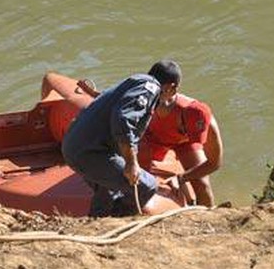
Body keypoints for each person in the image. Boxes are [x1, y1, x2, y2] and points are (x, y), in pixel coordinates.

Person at [60, 61, 181, 217]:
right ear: (172, 87)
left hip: (75, 147)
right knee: (147, 185)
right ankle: (119, 221)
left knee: (106, 191)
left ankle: (97, 223)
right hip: (91, 151)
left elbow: (110, 102)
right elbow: (124, 120)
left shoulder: (135, 81)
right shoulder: (150, 88)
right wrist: (131, 163)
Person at [138, 60, 223, 207]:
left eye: (157, 90)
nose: (150, 94)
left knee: (202, 184)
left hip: (184, 143)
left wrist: (182, 178)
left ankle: (209, 217)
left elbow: (214, 163)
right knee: (135, 176)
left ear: (172, 89)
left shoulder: (194, 113)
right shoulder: (141, 98)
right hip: (154, 139)